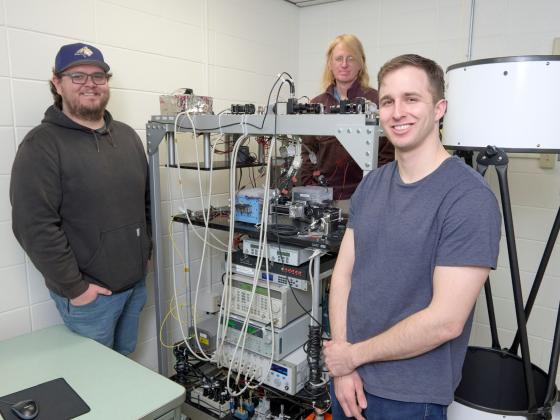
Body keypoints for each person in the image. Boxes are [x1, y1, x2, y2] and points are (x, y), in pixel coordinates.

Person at [323, 54, 501, 419]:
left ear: (439, 109)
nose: (397, 112)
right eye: (388, 101)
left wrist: (350, 357)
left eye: (411, 99)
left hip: (410, 397)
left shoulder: (468, 198)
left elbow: (445, 320)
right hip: (348, 380)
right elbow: (342, 276)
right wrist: (343, 359)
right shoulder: (371, 185)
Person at [10, 43, 151, 355]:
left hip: (134, 287)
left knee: (126, 368)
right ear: (57, 83)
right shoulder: (41, 145)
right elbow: (34, 226)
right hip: (91, 298)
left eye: (98, 76)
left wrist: (146, 252)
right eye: (78, 76)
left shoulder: (128, 137)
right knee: (94, 383)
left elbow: (145, 204)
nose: (90, 83)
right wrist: (76, 288)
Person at [299, 34, 394, 208]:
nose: (344, 64)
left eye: (351, 58)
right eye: (339, 59)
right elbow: (307, 152)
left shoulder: (377, 101)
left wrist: (373, 192)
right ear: (330, 64)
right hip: (323, 197)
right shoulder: (316, 104)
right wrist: (310, 187)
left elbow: (387, 155)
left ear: (361, 63)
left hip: (365, 197)